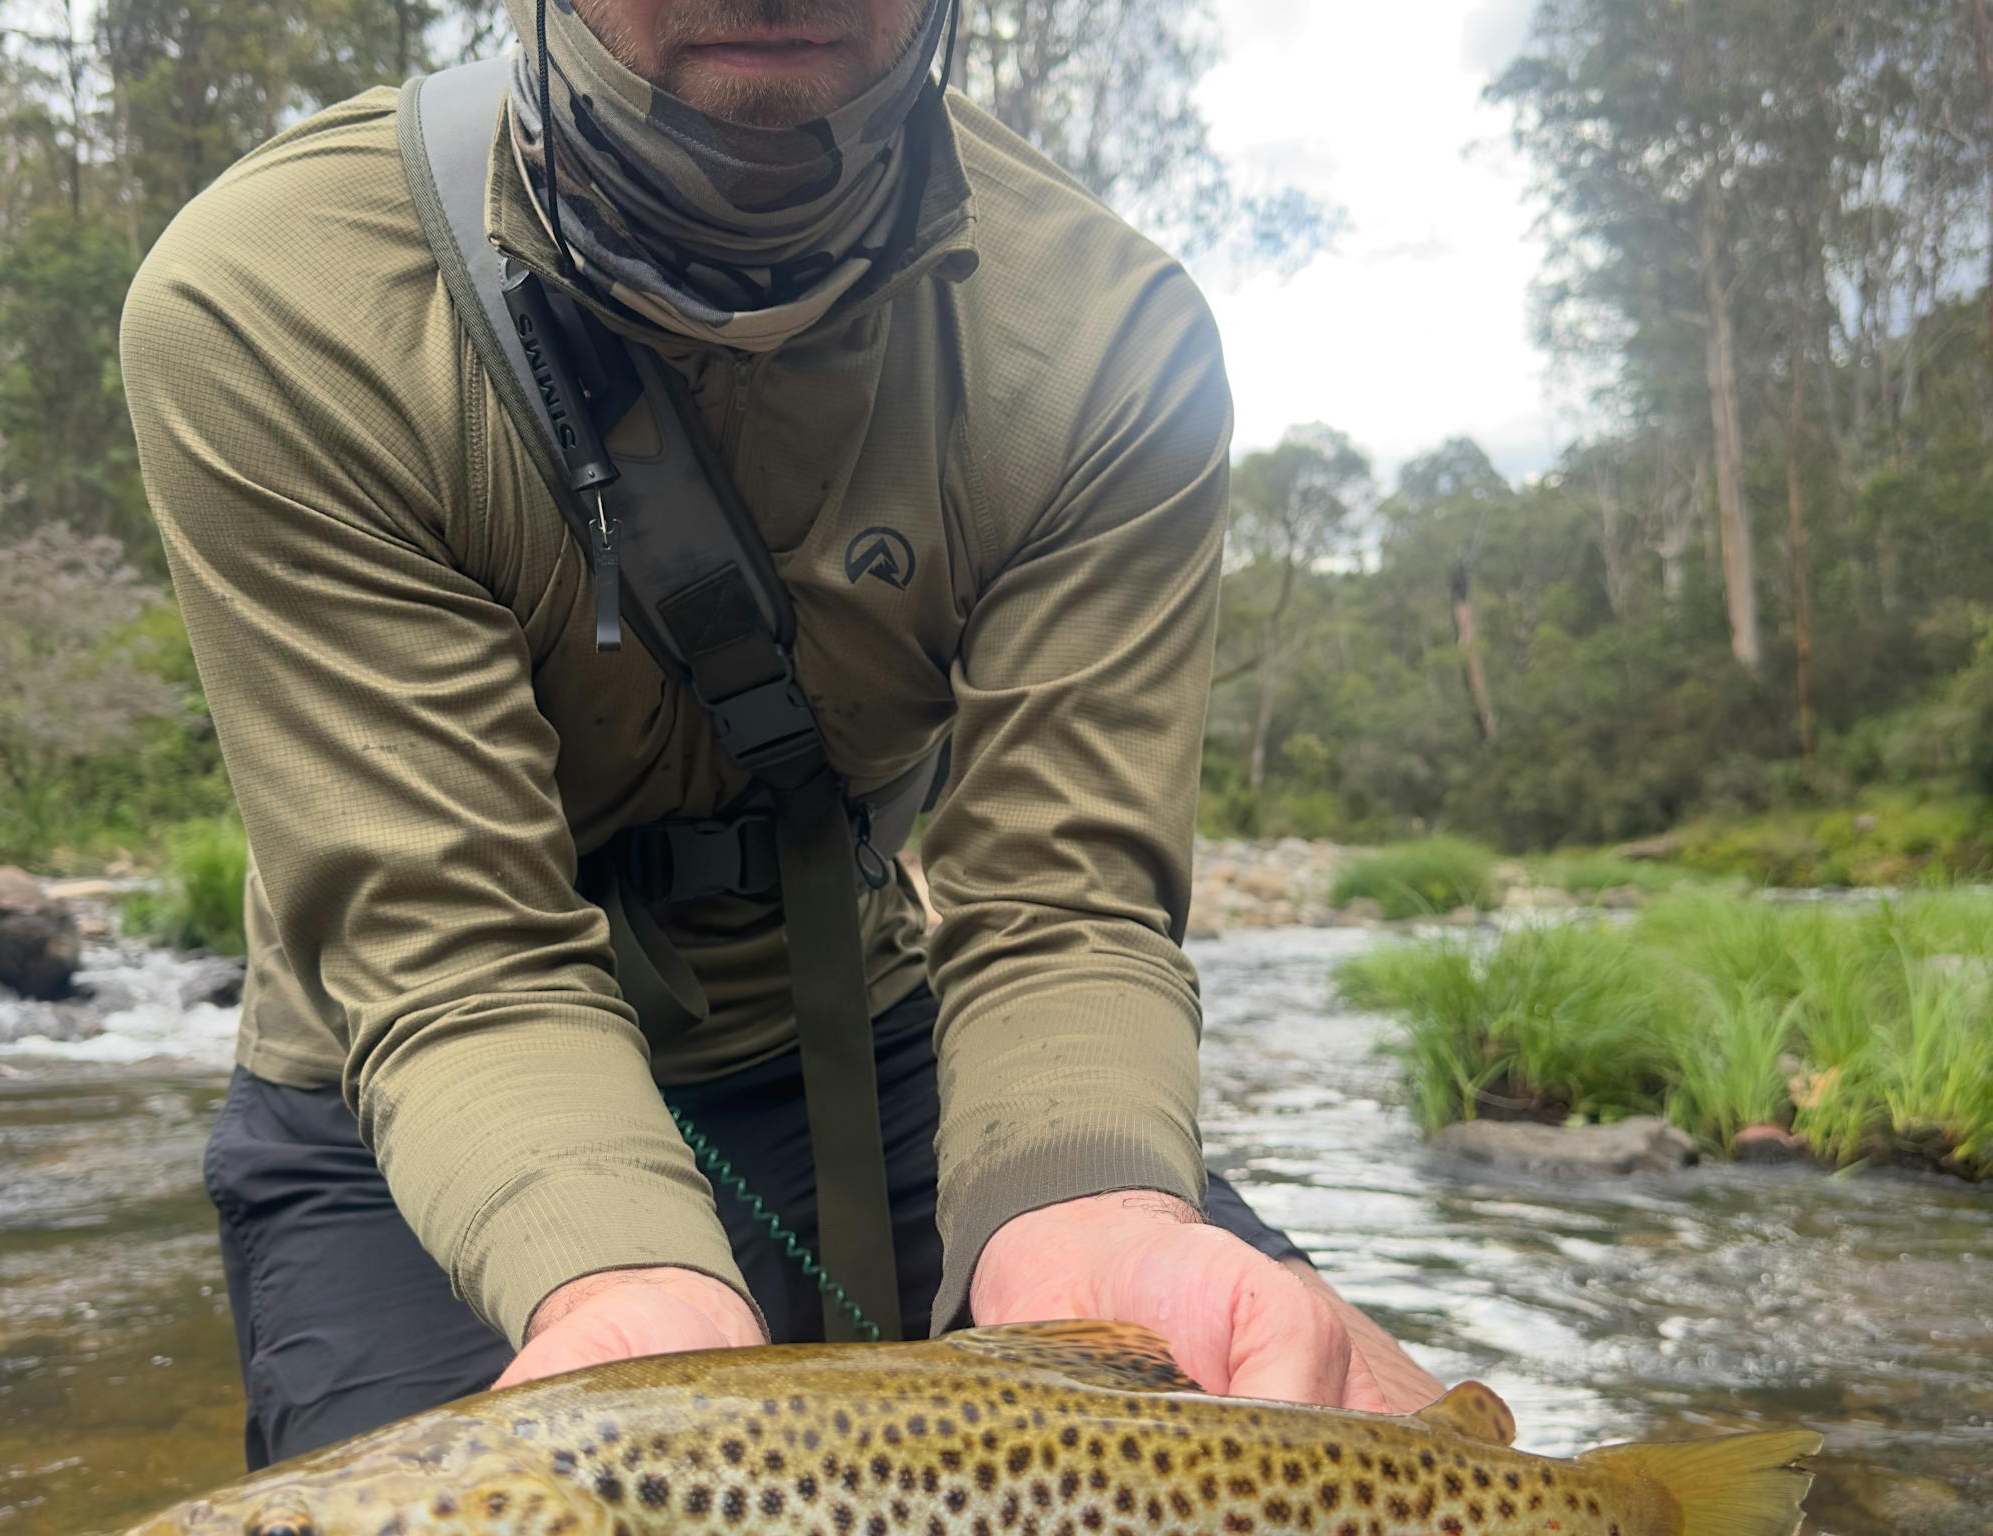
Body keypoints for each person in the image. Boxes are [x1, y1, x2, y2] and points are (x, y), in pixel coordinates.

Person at [120, 0, 1446, 1471]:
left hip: (875, 1035)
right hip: (405, 1083)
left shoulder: (1104, 340)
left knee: (1394, 1448)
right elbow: (456, 950)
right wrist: (625, 1298)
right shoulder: (279, 302)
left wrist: (1094, 1212)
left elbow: (1060, 906)